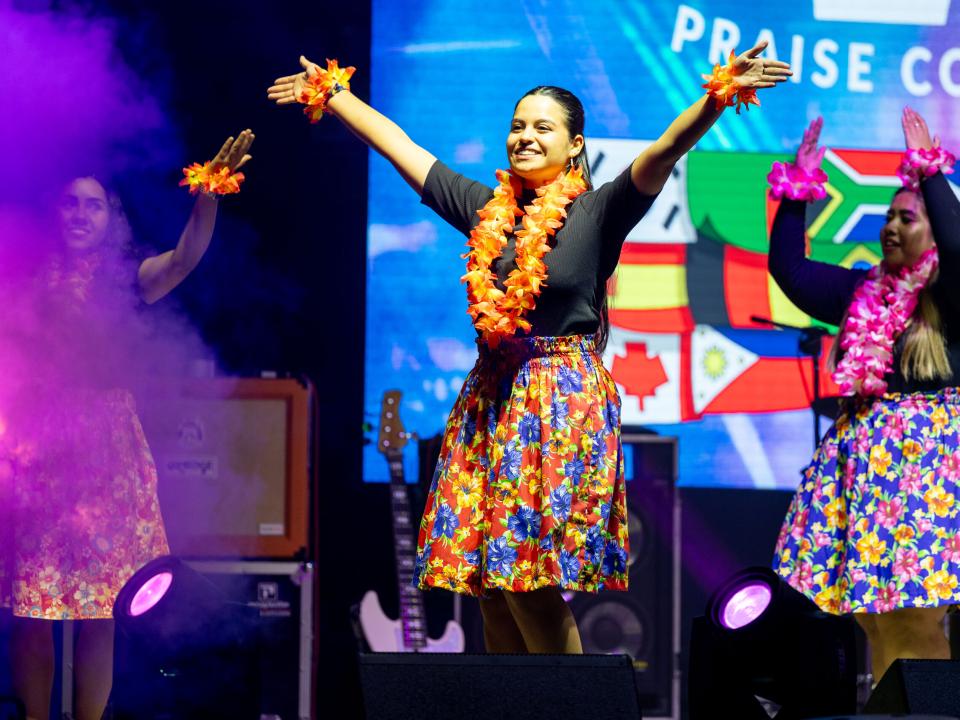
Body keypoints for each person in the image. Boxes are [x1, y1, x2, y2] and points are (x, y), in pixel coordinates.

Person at [269, 45, 789, 653]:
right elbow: (402, 148)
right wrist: (335, 95)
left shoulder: (599, 211)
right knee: (489, 584)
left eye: (543, 127)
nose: (524, 137)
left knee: (526, 577)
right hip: (491, 403)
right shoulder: (484, 210)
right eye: (517, 126)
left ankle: (573, 708)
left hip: (558, 405)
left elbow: (666, 147)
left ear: (575, 146)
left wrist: (720, 93)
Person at [1, 130, 254, 720]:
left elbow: (187, 256)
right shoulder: (24, 279)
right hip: (37, 449)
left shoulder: (128, 279)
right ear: (55, 214)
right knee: (33, 606)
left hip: (107, 453)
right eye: (71, 202)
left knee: (99, 607)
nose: (81, 213)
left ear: (110, 217)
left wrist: (210, 192)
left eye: (94, 203)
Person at [771, 112, 958, 684]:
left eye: (907, 217)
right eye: (888, 216)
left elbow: (955, 243)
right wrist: (798, 191)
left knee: (914, 621)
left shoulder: (948, 295)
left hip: (922, 472)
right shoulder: (862, 293)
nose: (892, 226)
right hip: (864, 472)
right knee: (875, 622)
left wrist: (928, 173)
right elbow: (791, 270)